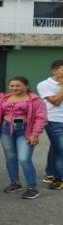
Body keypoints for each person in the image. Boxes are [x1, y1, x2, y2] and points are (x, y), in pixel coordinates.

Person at [0, 76, 48, 199]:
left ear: (26, 86)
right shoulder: (5, 98)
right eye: (12, 86)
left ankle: (32, 188)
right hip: (6, 130)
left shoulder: (35, 100)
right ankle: (15, 183)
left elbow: (41, 118)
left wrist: (35, 134)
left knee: (24, 159)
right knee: (10, 157)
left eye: (18, 85)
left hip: (25, 131)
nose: (14, 88)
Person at [36, 60, 63, 190]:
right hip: (54, 120)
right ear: (54, 70)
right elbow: (55, 102)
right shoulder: (44, 85)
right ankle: (59, 179)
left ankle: (50, 174)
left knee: (56, 148)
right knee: (61, 149)